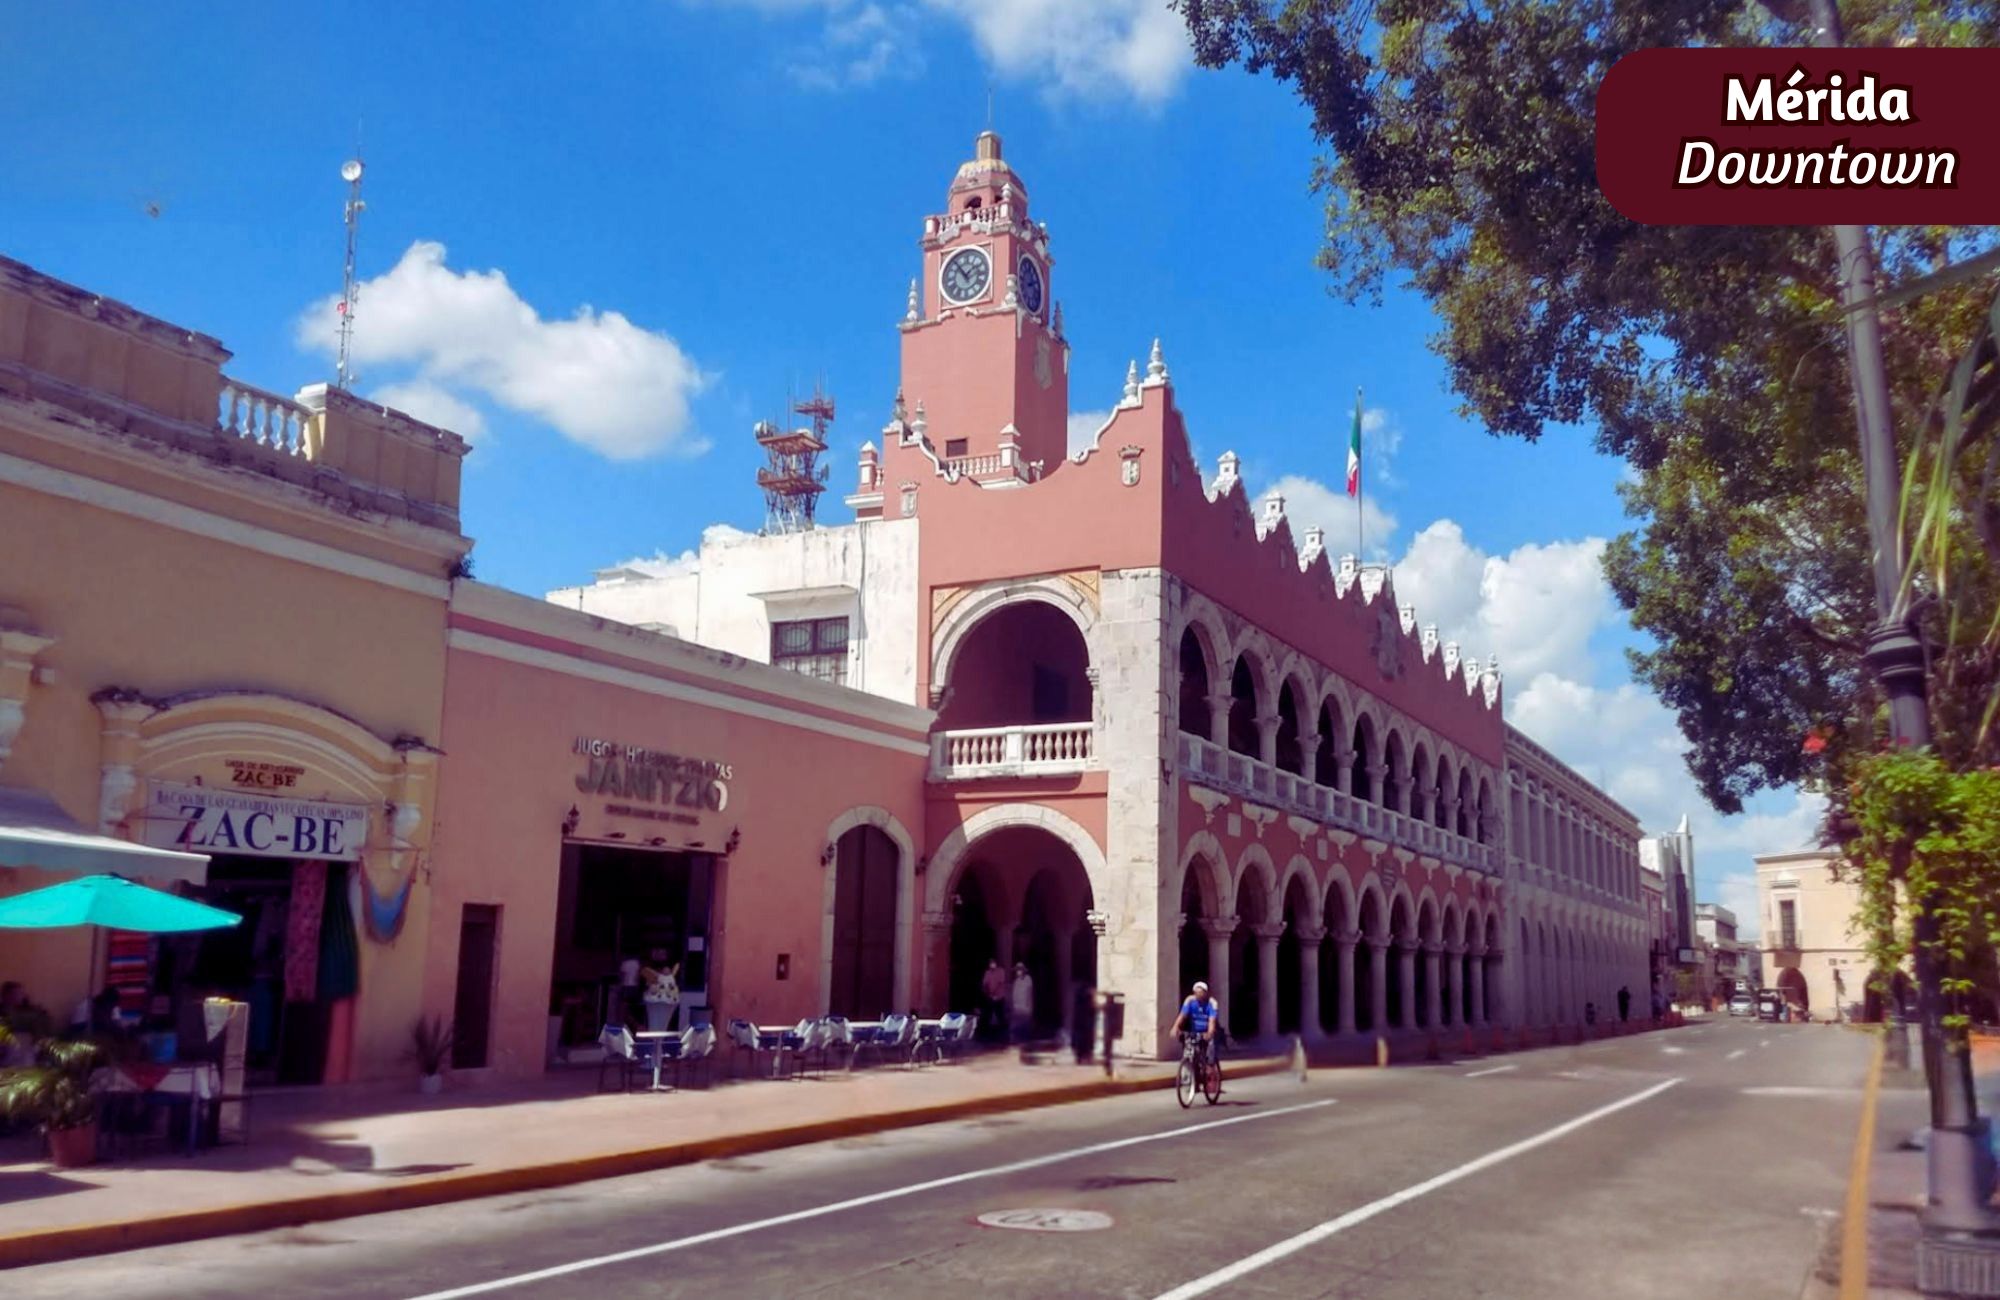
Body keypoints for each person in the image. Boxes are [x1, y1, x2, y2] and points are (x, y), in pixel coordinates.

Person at [1169, 980, 1223, 1088]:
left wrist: (1209, 1033)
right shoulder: (1190, 1001)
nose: (1198, 995)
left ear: (1205, 992)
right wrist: (1175, 1027)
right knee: (1189, 1051)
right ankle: (1191, 1078)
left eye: (1201, 992)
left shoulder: (1211, 1003)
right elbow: (1182, 1016)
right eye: (1196, 992)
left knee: (1210, 1052)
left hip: (1208, 1031)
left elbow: (1212, 1021)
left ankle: (1210, 1073)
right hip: (1194, 1031)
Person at [981, 958, 1008, 1043]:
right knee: (987, 1015)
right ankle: (985, 1034)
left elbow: (1000, 983)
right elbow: (985, 984)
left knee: (1000, 1015)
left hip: (999, 996)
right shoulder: (987, 973)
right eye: (990, 963)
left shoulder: (1001, 971)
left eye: (993, 963)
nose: (992, 964)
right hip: (990, 997)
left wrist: (994, 993)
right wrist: (988, 993)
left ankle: (1004, 1034)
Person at [1008, 962, 1035, 1048]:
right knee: (1017, 1026)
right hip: (1017, 1006)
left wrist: (1030, 1005)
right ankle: (1016, 1042)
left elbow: (1029, 992)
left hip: (1025, 1006)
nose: (1017, 972)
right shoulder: (1016, 981)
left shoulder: (1028, 979)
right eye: (1017, 970)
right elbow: (1014, 993)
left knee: (1025, 1026)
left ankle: (1026, 1043)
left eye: (1019, 970)